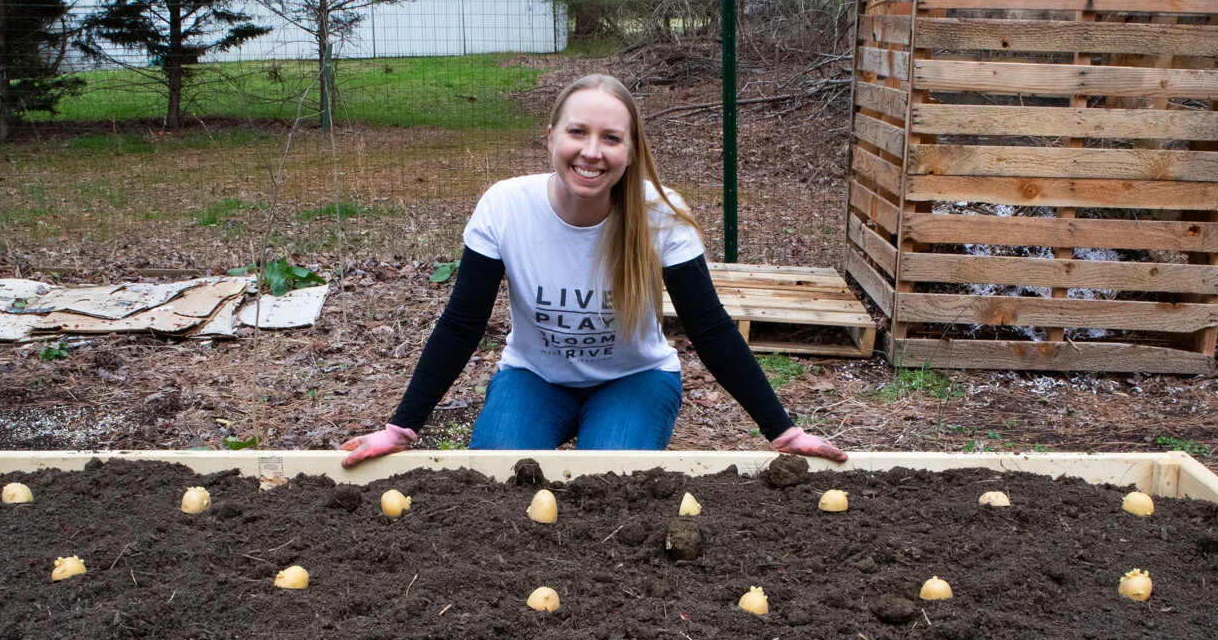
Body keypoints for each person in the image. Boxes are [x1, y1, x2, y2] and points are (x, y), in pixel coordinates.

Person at [339, 74, 848, 467]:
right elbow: (462, 323)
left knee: (611, 489)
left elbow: (710, 326)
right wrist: (402, 427)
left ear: (629, 153)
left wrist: (781, 430)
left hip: (635, 380)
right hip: (534, 378)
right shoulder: (504, 207)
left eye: (610, 138)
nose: (591, 152)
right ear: (551, 137)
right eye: (577, 132)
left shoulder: (660, 215)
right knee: (495, 484)